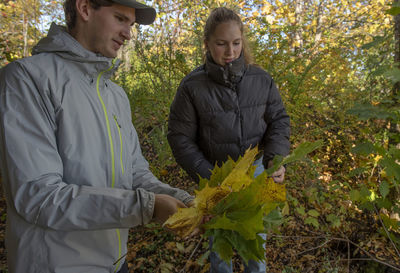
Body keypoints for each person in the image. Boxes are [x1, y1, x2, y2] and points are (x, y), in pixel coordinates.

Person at [0, 0, 194, 272]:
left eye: (132, 25)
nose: (128, 34)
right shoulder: (27, 79)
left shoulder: (115, 95)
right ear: (85, 9)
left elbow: (136, 174)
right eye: (120, 19)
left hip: (115, 263)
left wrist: (187, 201)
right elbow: (38, 196)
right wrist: (147, 207)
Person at [167, 7, 290, 273]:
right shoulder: (192, 87)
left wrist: (275, 160)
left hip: (256, 173)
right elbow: (180, 138)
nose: (230, 51)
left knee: (254, 243)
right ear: (207, 43)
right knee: (219, 248)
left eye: (236, 43)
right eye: (221, 44)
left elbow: (279, 120)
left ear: (243, 41)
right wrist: (210, 177)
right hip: (216, 179)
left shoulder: (261, 79)